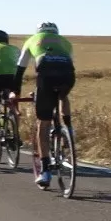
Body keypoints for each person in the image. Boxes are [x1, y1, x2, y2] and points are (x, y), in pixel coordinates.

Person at [18, 22, 75, 188]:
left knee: (43, 124)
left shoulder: (32, 40)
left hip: (45, 78)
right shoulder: (65, 42)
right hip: (67, 76)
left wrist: (15, 92)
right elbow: (70, 64)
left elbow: (20, 69)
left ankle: (45, 170)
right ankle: (69, 130)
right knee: (63, 95)